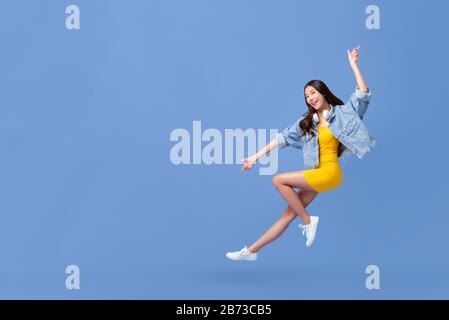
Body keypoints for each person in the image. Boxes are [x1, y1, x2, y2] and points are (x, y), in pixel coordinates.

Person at [226, 45, 375, 261]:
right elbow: (282, 139)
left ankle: (307, 221)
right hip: (318, 174)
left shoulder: (343, 114)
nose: (310, 98)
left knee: (278, 180)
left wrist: (353, 65)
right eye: (307, 96)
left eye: (313, 92)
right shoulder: (307, 123)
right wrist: (254, 157)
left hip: (330, 173)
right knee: (287, 215)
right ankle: (250, 252)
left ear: (323, 92)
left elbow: (363, 94)